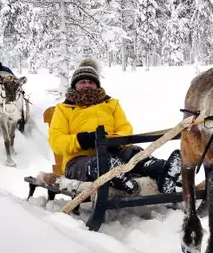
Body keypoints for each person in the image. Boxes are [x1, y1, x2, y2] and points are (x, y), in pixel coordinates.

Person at [48, 59, 181, 195]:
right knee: (102, 163)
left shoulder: (111, 104)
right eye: (82, 82)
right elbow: (56, 141)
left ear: (97, 85)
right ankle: (123, 180)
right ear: (75, 86)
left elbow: (125, 128)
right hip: (78, 160)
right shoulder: (64, 109)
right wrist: (81, 140)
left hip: (113, 151)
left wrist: (113, 141)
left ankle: (164, 171)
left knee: (135, 153)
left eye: (91, 82)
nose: (87, 85)